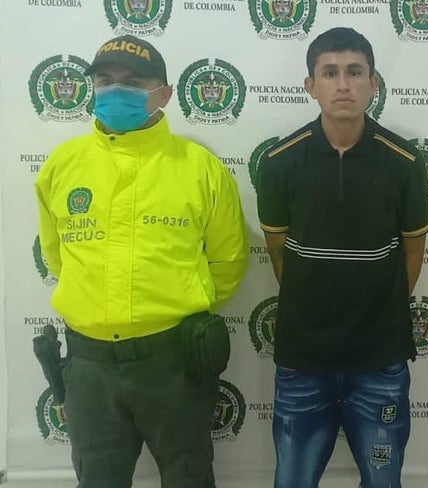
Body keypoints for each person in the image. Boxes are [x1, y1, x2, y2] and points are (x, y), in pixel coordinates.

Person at [34, 34, 249, 488]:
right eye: (105, 81)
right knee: (97, 480)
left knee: (189, 478)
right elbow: (56, 256)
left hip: (174, 363)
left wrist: (173, 310)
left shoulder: (201, 168)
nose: (116, 91)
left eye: (132, 83)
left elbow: (228, 261)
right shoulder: (61, 165)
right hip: (89, 367)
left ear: (164, 94)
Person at [256, 27, 428, 488]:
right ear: (310, 85)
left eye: (355, 72)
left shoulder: (406, 163)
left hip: (379, 361)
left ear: (373, 84)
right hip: (303, 360)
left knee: (383, 482)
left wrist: (377, 311)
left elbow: (413, 253)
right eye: (329, 73)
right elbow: (279, 251)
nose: (343, 84)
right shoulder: (278, 163)